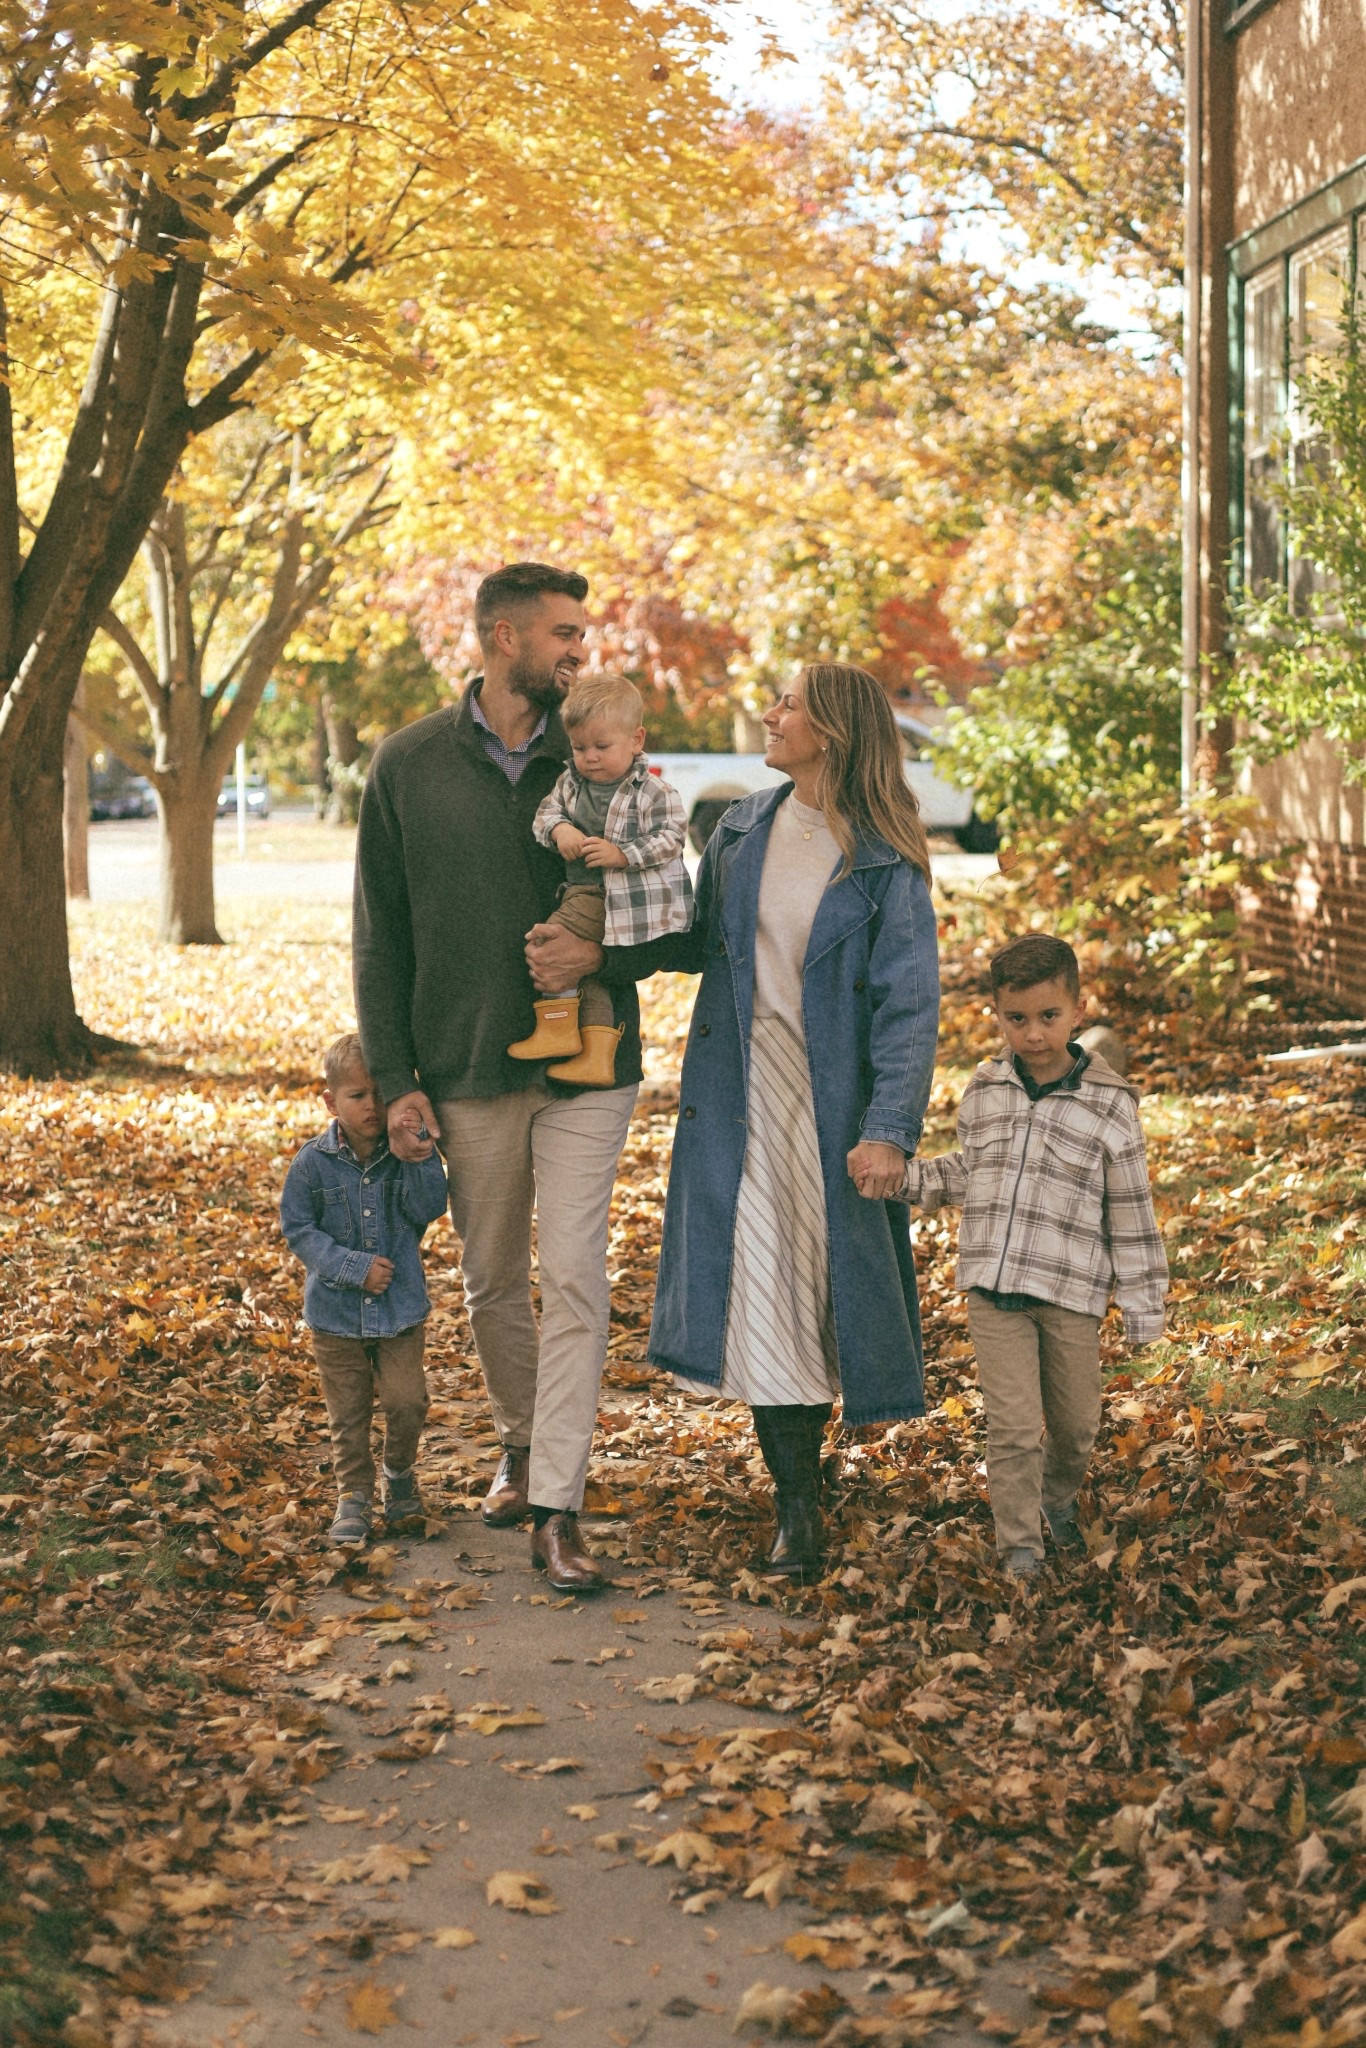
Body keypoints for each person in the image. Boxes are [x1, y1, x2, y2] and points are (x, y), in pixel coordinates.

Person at [354, 562, 660, 1594]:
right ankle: (525, 1439)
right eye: (563, 633)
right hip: (465, 1063)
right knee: (491, 1279)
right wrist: (395, 1075)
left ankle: (557, 1504)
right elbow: (379, 937)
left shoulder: (614, 769)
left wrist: (601, 959)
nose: (580, 651)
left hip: (590, 1061)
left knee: (574, 1275)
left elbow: (677, 917)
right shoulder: (407, 764)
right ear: (502, 637)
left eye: (584, 633)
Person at [639, 663, 941, 1578]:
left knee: (817, 1295)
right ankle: (797, 1512)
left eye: (788, 706)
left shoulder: (884, 859)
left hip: (834, 1104)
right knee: (762, 1292)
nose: (771, 717)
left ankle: (808, 1487)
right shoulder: (741, 827)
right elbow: (697, 943)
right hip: (740, 1095)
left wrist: (889, 1127)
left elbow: (908, 1005)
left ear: (834, 733)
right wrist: (602, 948)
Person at [901, 934, 1168, 1582]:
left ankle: (1055, 1498)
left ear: (1078, 1009)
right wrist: (908, 1182)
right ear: (996, 1013)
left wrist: (1142, 1301)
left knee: (1076, 1426)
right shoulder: (987, 1088)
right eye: (1015, 1018)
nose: (1034, 1034)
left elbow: (1130, 1211)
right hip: (994, 1287)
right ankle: (1020, 1546)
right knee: (1015, 1426)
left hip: (1071, 1289)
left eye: (1049, 1017)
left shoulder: (1110, 1105)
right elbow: (974, 1170)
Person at [280, 1033, 449, 1547]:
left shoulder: (405, 1155)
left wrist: (421, 1156)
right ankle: (353, 1496)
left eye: (380, 1093)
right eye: (357, 1096)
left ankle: (398, 1474)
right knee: (348, 1413)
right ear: (331, 1102)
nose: (372, 1106)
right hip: (335, 1314)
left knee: (407, 1401)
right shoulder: (313, 1163)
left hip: (399, 1312)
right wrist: (352, 1267)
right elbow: (299, 1228)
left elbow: (429, 1209)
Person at [508, 672, 692, 1088]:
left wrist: (622, 854)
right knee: (588, 974)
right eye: (579, 747)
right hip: (581, 890)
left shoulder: (652, 791)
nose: (589, 757)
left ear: (636, 739)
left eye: (602, 746)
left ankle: (557, 1029)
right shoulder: (570, 783)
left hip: (614, 898)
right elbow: (545, 815)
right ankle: (594, 1053)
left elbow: (671, 837)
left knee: (549, 943)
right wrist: (560, 831)